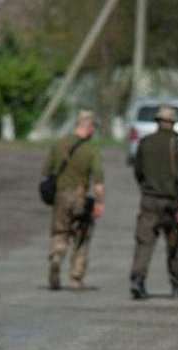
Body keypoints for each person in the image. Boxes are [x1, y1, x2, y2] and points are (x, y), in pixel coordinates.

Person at [130, 105, 178, 300]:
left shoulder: (145, 142)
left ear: (157, 122)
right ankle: (177, 285)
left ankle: (138, 280)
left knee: (144, 243)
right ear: (172, 123)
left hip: (148, 199)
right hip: (171, 203)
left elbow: (138, 171)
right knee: (173, 244)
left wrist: (146, 188)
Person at [41, 109, 104, 290]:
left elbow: (45, 173)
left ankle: (56, 256)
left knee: (60, 232)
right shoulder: (91, 149)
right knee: (82, 236)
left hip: (60, 196)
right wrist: (99, 203)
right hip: (80, 198)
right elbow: (98, 184)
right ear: (89, 126)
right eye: (93, 127)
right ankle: (76, 278)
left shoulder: (59, 144)